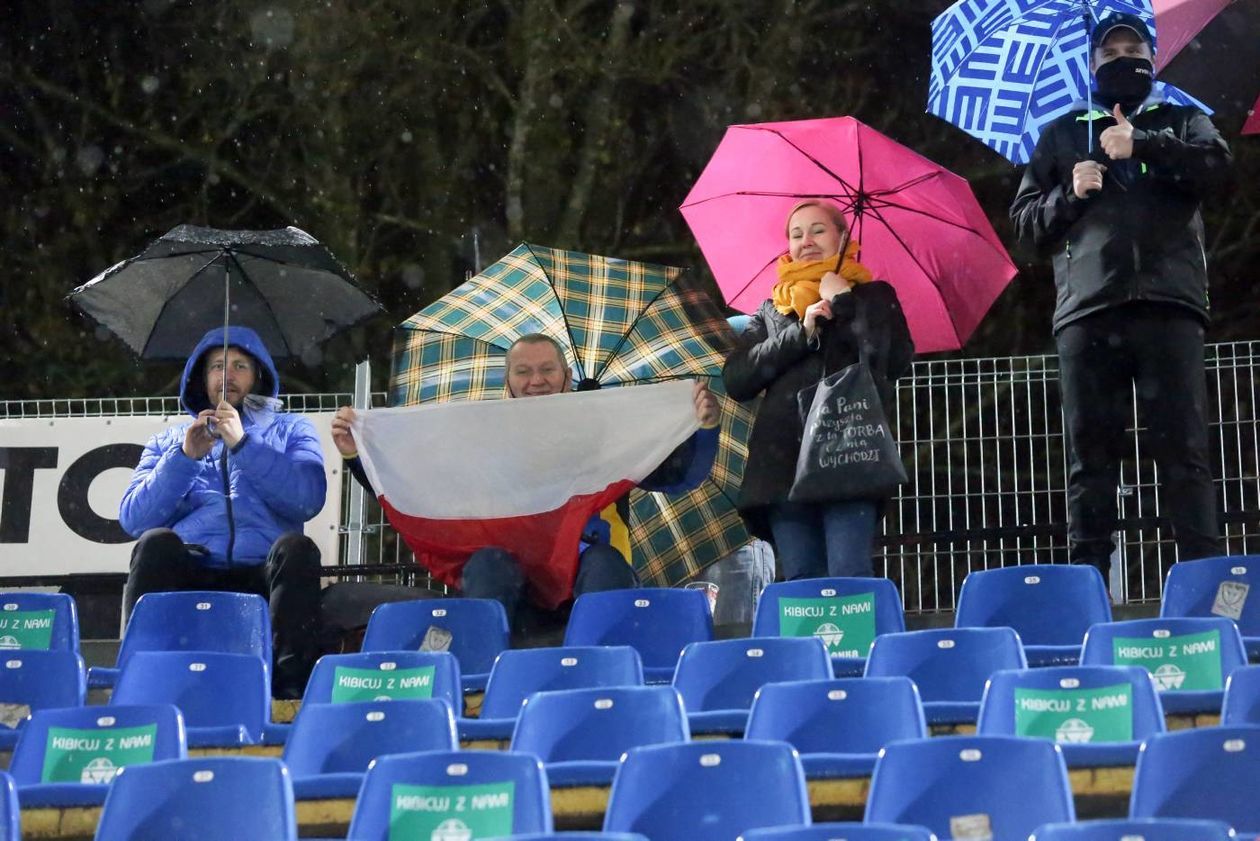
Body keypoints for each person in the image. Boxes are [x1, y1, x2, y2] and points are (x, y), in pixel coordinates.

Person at [1010, 12, 1230, 577]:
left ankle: (1203, 581)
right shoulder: (1060, 134)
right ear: (1090, 63)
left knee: (1184, 451)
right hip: (1088, 312)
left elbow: (1218, 170)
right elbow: (1027, 227)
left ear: (1155, 60)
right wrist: (1070, 193)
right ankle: (1089, 585)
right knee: (1091, 458)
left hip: (1170, 306)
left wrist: (1145, 144)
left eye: (1134, 47)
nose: (1122, 56)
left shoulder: (1185, 120)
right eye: (1109, 50)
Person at [333, 333, 720, 630]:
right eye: (524, 371)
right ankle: (478, 683)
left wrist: (702, 429)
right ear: (509, 382)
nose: (537, 380)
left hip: (584, 569)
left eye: (547, 370)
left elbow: (679, 477)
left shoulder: (604, 431)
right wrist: (357, 454)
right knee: (487, 565)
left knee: (606, 564)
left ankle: (602, 669)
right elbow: (417, 489)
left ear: (567, 377)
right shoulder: (482, 434)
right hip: (507, 573)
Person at [119, 326, 328, 699]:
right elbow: (134, 519)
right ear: (201, 377)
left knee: (298, 549)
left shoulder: (292, 428)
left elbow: (308, 499)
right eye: (217, 366)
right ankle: (139, 680)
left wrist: (244, 445)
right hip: (195, 571)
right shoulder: (169, 440)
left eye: (240, 366)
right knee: (155, 544)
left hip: (262, 573)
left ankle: (287, 690)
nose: (227, 375)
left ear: (259, 375)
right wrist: (184, 459)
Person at [723, 200, 914, 580]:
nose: (806, 240)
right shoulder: (772, 310)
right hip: (782, 469)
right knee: (799, 582)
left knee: (850, 575)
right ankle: (806, 645)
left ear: (844, 237)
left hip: (849, 457)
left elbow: (892, 361)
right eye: (796, 234)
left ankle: (857, 643)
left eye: (818, 230)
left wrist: (844, 302)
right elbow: (738, 378)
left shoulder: (874, 296)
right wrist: (802, 331)